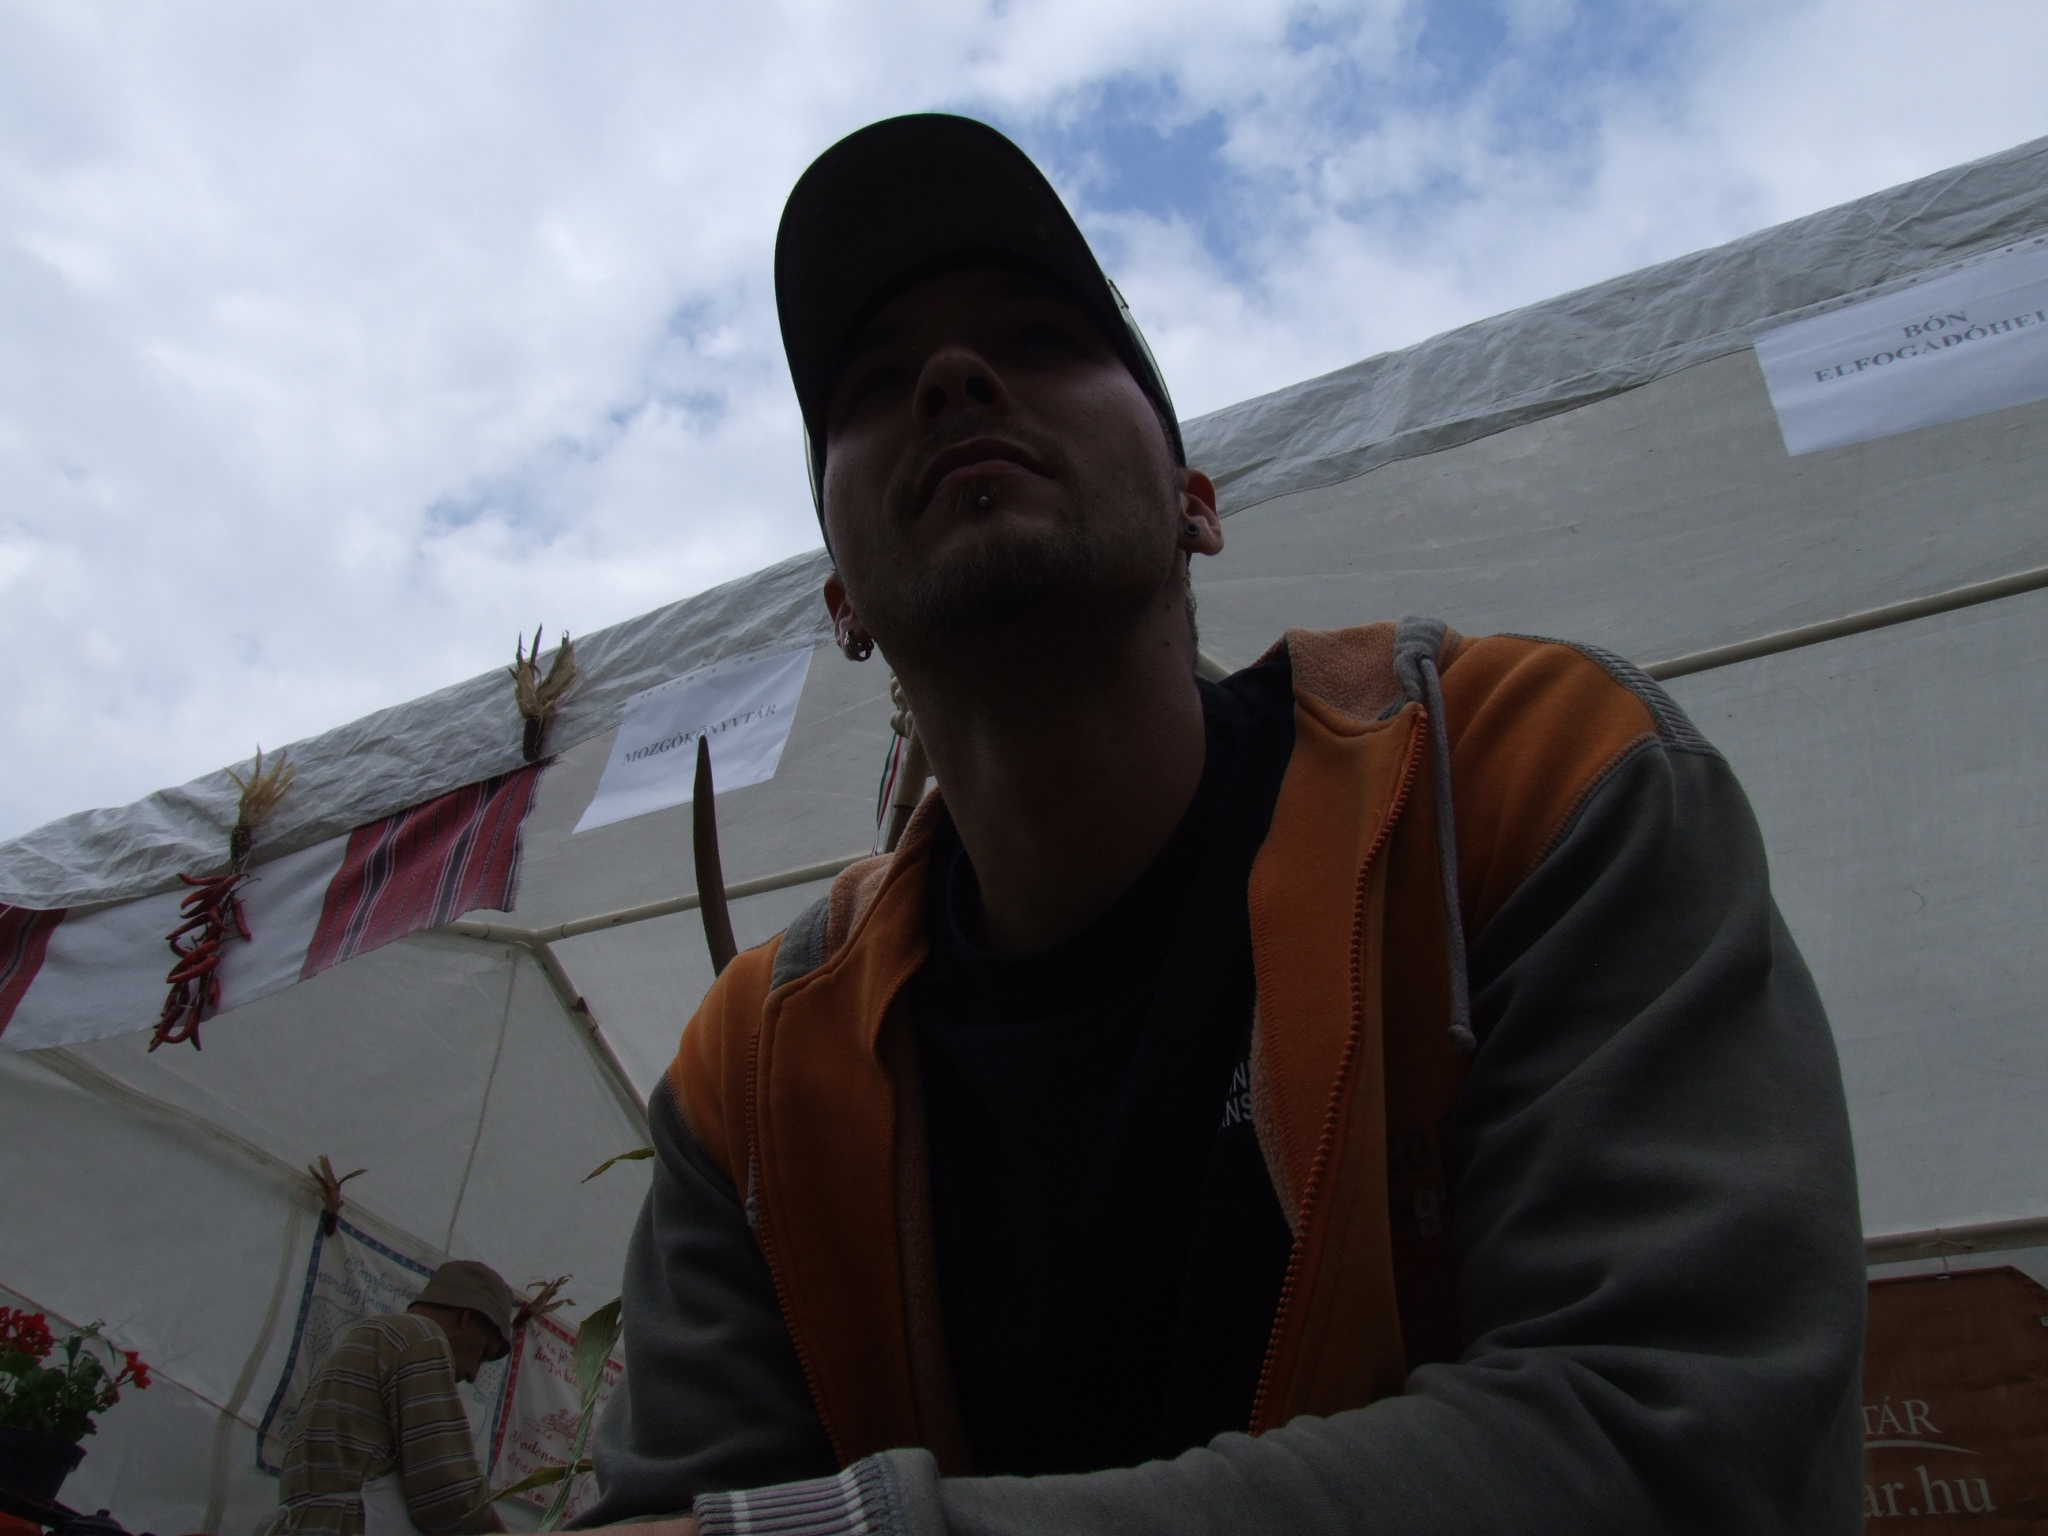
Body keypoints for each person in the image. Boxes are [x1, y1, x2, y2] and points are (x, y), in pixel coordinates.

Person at [578, 114, 1866, 1536]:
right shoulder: (753, 1080)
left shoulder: (1521, 779)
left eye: (1041, 336)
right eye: (876, 384)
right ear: (842, 605)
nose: (953, 378)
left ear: (1196, 505)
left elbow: (1686, 1447)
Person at [274, 1261, 517, 1536]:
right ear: (467, 1317)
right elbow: (447, 1491)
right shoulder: (422, 1338)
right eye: (483, 1353)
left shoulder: (371, 1337)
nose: (473, 1374)